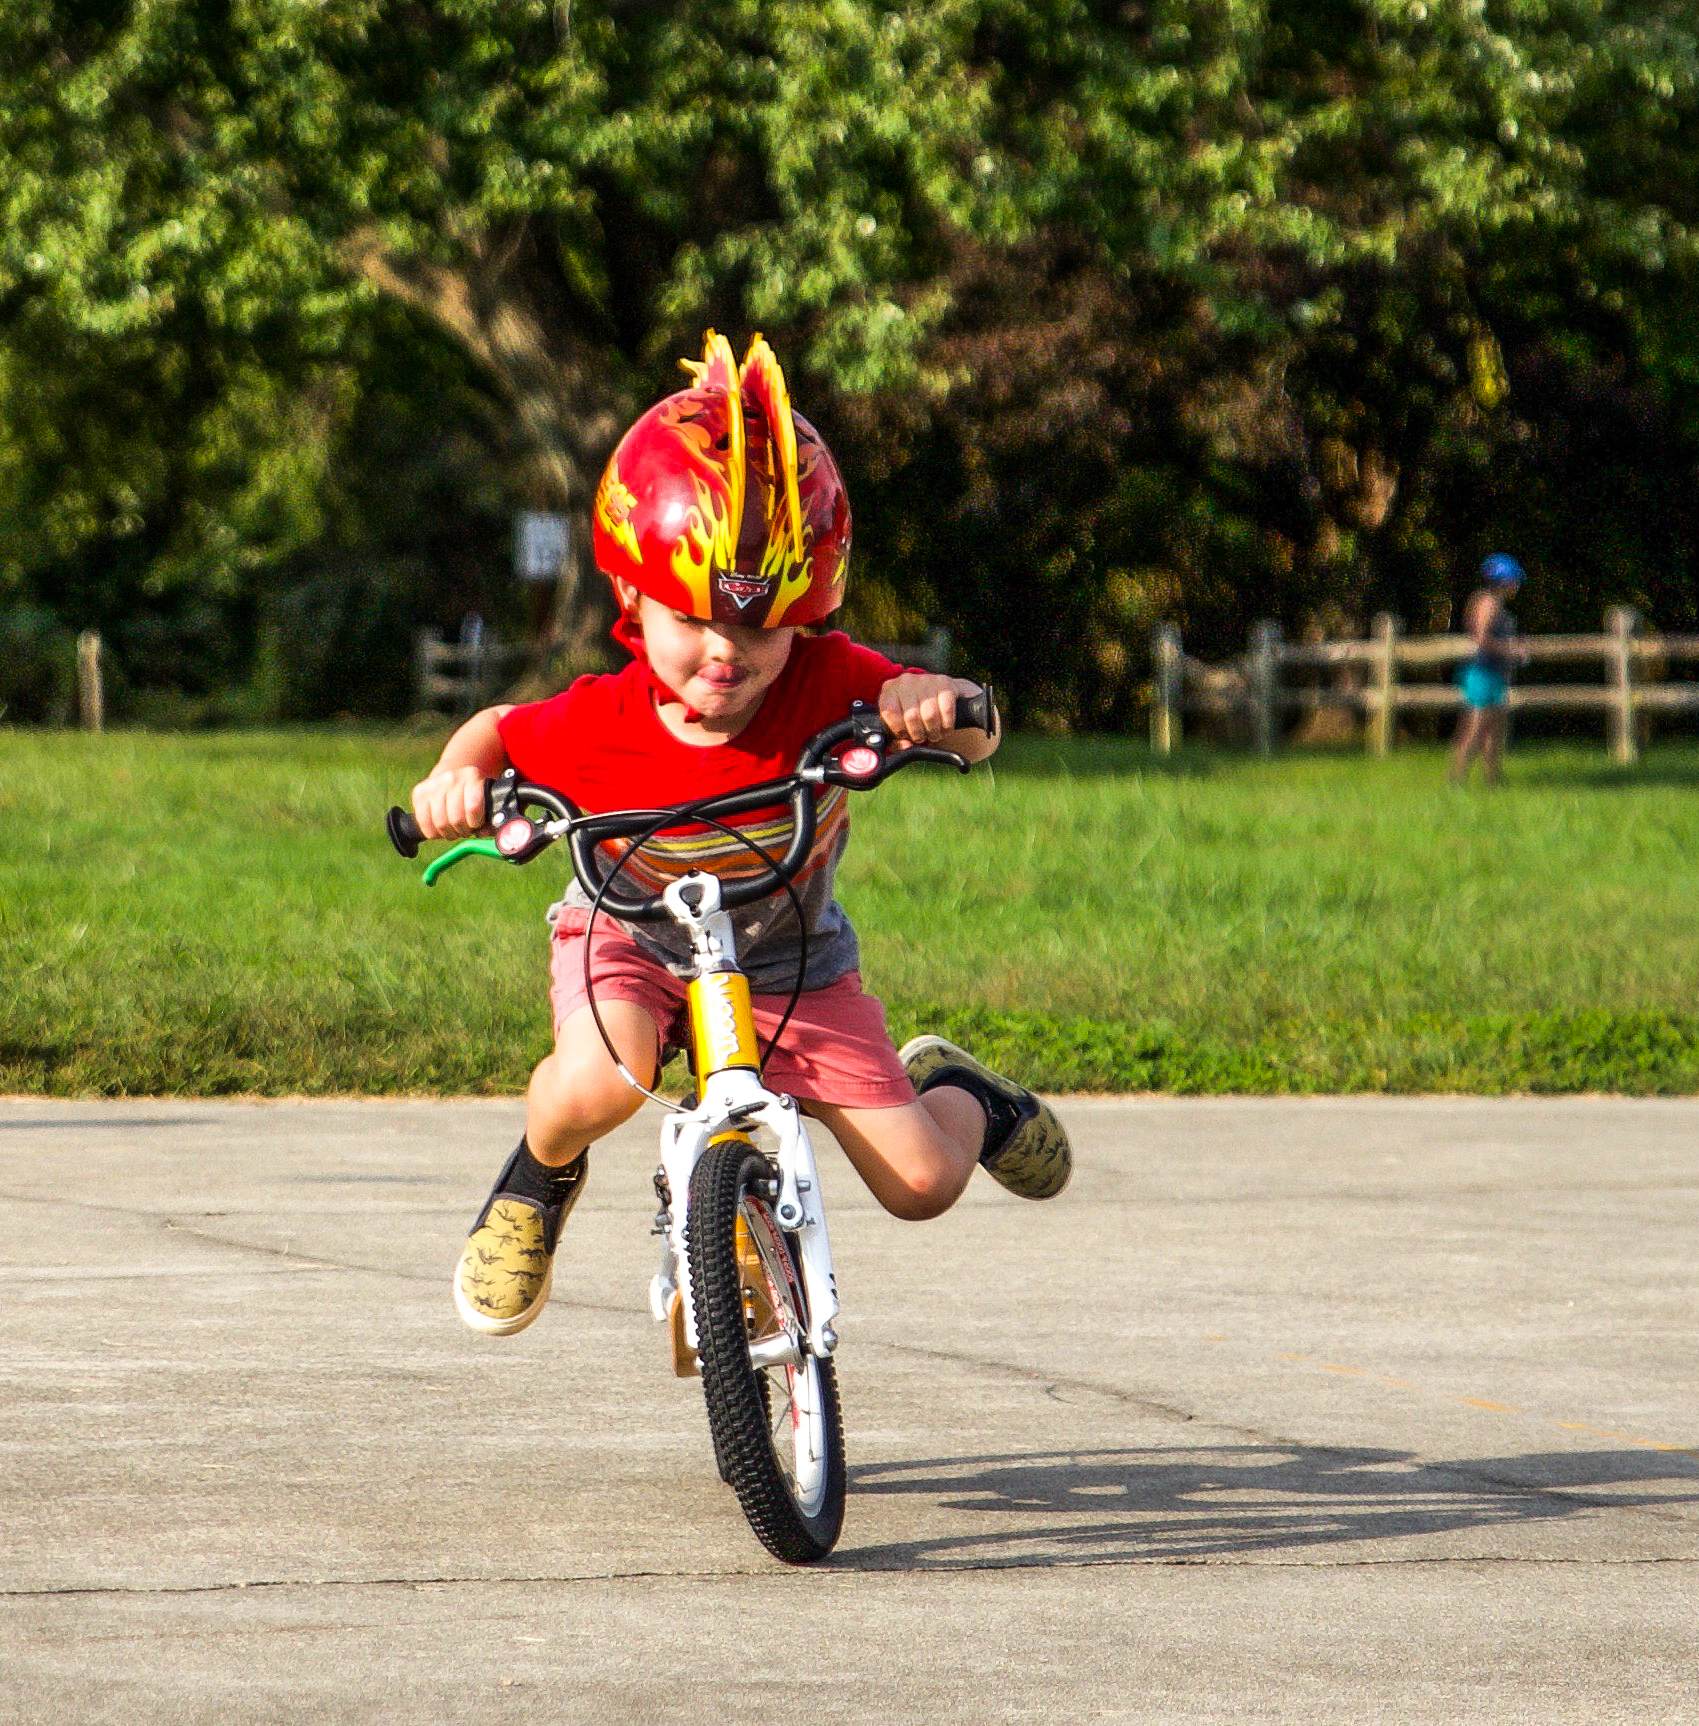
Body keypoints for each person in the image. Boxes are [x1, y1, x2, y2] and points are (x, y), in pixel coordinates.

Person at [409, 331, 1072, 1336]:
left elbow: (970, 730)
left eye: (760, 627)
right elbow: (499, 734)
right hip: (627, 935)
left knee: (923, 1182)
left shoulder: (828, 682)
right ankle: (538, 1179)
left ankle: (965, 1095)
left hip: (785, 954)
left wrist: (943, 705)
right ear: (631, 593)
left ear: (805, 614)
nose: (726, 653)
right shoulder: (600, 719)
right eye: (694, 619)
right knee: (595, 1083)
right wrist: (457, 781)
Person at [1449, 552, 1528, 786]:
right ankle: (1457, 780)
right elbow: (1481, 638)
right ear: (1504, 579)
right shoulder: (1488, 602)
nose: (1517, 585)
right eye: (1514, 580)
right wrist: (1510, 650)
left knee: (1496, 729)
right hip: (1482, 672)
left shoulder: (1495, 603)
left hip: (1494, 674)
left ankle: (1493, 780)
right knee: (1476, 728)